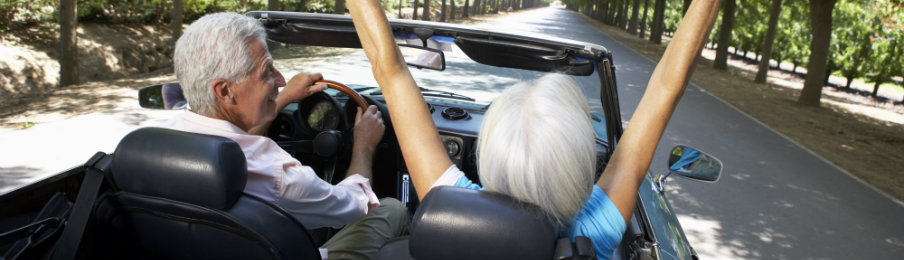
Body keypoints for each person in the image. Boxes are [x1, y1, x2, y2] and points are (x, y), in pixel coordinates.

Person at [346, 0, 721, 258]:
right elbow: (666, 88)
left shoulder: (447, 208)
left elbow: (390, 71)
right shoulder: (599, 230)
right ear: (579, 168)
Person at [161, 12, 407, 259]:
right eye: (267, 71)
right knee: (392, 209)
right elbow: (355, 205)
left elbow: (233, 137)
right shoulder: (279, 176)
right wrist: (364, 144)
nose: (281, 80)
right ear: (224, 91)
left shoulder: (162, 140)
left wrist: (285, 97)